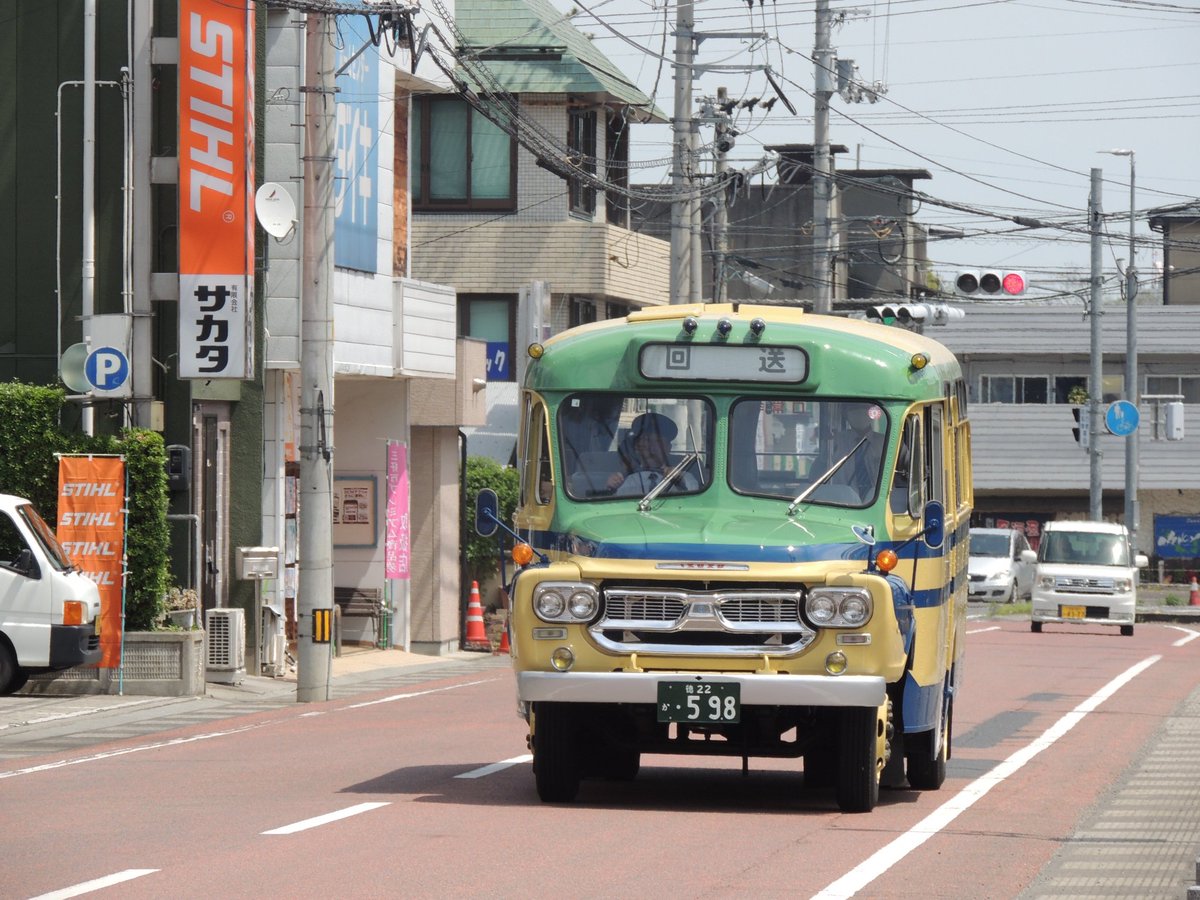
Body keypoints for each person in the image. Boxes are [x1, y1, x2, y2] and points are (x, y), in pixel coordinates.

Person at [607, 412, 698, 495]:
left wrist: (679, 479)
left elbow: (696, 498)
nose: (651, 448)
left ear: (668, 448)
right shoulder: (630, 479)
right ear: (638, 447)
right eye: (647, 441)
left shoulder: (685, 475)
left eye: (658, 442)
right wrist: (611, 487)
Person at [823, 404, 886, 501]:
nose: (859, 412)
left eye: (864, 407)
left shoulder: (885, 442)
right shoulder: (836, 442)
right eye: (853, 408)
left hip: (880, 501)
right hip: (845, 502)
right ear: (845, 414)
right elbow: (819, 473)